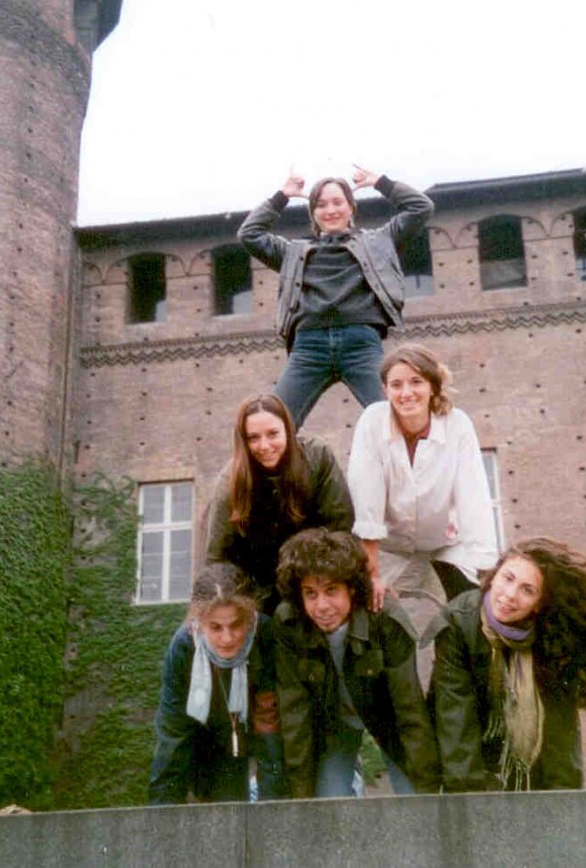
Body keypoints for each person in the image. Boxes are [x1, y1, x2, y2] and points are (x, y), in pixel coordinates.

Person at [422, 537, 586, 792]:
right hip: (476, 765)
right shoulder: (458, 622)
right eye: (508, 578)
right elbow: (455, 717)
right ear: (493, 576)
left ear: (539, 603)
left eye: (527, 590)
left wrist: (563, 800)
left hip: (531, 769)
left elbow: (559, 731)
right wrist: (472, 804)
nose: (509, 596)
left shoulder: (553, 636)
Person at [237, 166, 434, 428]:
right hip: (309, 348)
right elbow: (248, 234)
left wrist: (380, 183)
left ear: (351, 207)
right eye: (321, 205)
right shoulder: (293, 253)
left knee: (398, 419)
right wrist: (282, 196)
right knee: (272, 424)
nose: (330, 210)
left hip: (361, 344)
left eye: (337, 202)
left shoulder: (377, 242)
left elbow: (421, 207)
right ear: (313, 214)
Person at [273, 528, 441, 799]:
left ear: (351, 588)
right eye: (310, 593)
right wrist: (301, 800)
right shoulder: (289, 622)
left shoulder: (385, 617)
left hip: (388, 720)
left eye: (331, 590)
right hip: (333, 723)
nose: (322, 606)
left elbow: (409, 710)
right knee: (328, 807)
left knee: (416, 801)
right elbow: (295, 713)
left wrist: (429, 794)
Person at [347, 342, 499, 619]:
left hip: (443, 544)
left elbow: (473, 497)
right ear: (385, 390)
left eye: (416, 382)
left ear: (433, 385)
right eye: (396, 385)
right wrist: (371, 573)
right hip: (388, 547)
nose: (406, 393)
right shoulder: (372, 422)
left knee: (470, 610)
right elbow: (367, 498)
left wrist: (486, 571)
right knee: (368, 608)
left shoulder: (458, 425)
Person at [148, 563, 285, 804]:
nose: (227, 638)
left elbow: (269, 725)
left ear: (249, 617)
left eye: (236, 625)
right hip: (210, 741)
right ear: (198, 621)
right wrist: (162, 818)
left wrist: (273, 806)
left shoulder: (265, 635)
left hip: (257, 730)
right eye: (215, 627)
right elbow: (173, 735)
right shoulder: (183, 647)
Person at [206, 394, 354, 614]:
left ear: (288, 429)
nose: (264, 446)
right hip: (258, 591)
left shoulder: (317, 456)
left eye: (273, 434)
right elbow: (218, 558)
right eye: (253, 438)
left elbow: (341, 527)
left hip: (318, 575)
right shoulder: (230, 483)